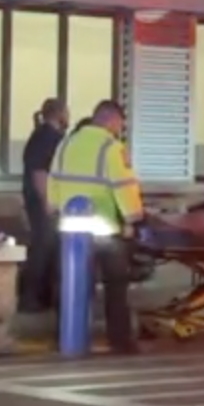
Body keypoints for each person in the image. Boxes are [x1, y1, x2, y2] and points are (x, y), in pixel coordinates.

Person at [45, 99, 145, 356]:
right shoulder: (112, 148)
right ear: (112, 120)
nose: (120, 129)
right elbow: (124, 186)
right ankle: (120, 341)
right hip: (104, 228)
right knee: (115, 285)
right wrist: (133, 218)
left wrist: (53, 206)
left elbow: (54, 178)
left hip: (70, 226)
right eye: (120, 123)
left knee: (72, 282)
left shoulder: (66, 143)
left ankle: (65, 335)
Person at [18, 97, 69, 313]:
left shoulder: (40, 135)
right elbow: (39, 172)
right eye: (66, 112)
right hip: (43, 202)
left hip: (39, 200)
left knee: (49, 247)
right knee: (43, 247)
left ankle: (45, 297)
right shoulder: (47, 137)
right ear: (60, 113)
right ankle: (30, 298)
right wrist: (48, 201)